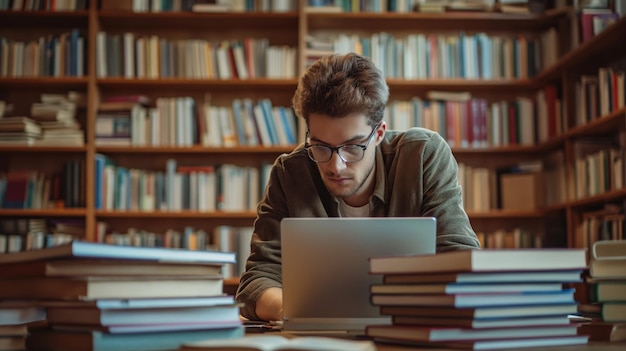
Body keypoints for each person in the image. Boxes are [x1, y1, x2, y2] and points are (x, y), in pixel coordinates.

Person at [235, 53, 480, 322]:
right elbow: (256, 282)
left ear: (378, 133)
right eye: (320, 146)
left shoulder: (423, 156)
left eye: (352, 147)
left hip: (410, 334)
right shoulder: (290, 173)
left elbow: (462, 260)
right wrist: (300, 310)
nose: (336, 166)